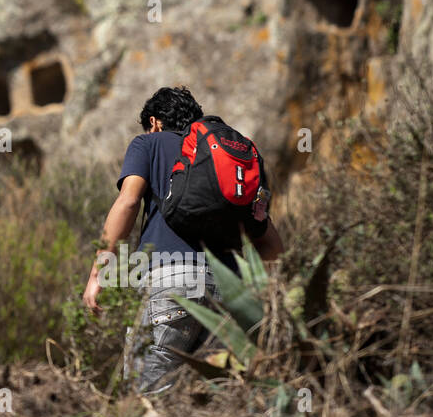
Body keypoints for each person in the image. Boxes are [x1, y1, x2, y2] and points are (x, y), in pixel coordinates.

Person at [81, 86, 284, 394]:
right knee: (209, 406)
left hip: (171, 283)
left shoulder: (148, 143)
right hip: (230, 294)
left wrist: (99, 273)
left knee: (148, 397)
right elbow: (273, 246)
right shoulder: (220, 161)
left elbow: (128, 202)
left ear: (154, 122)